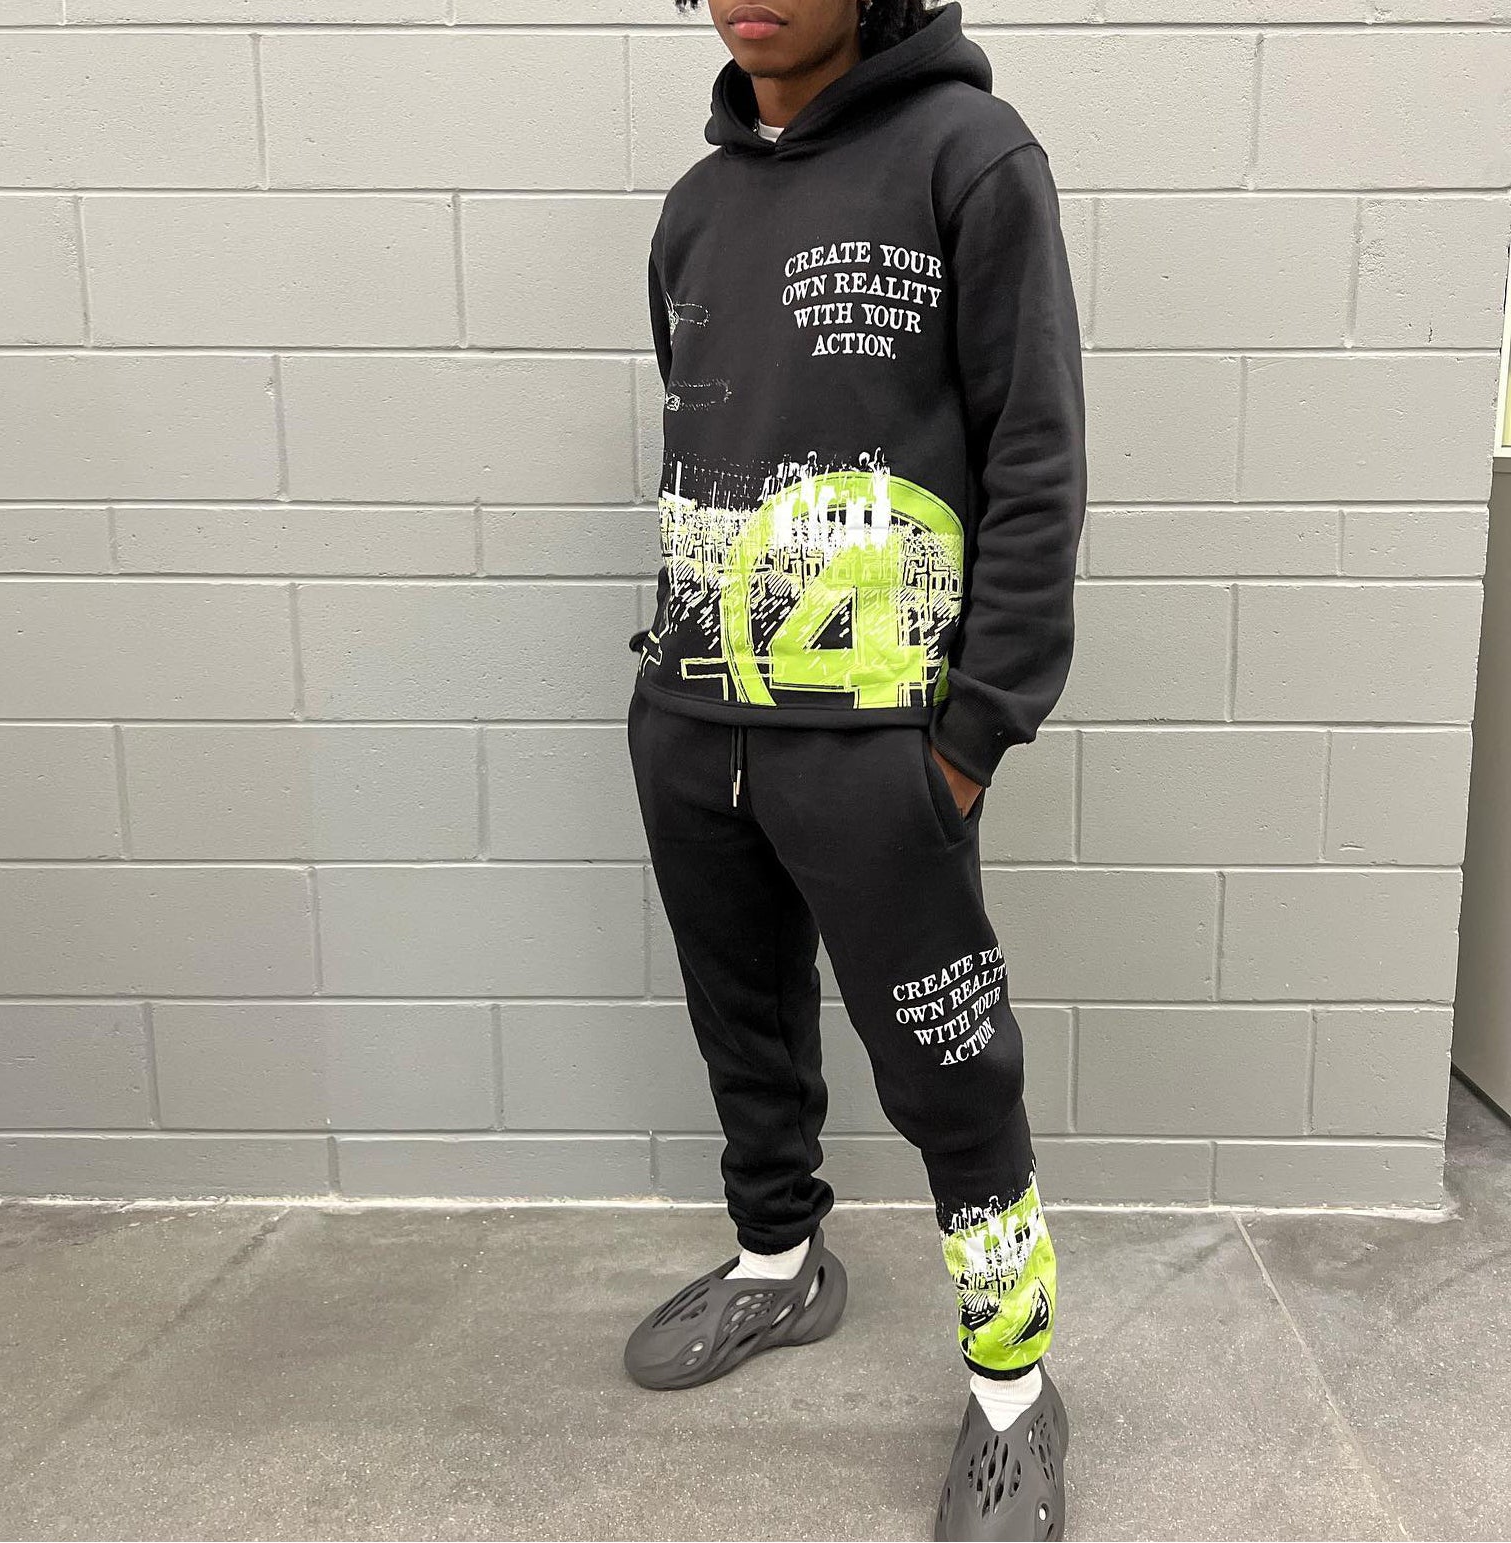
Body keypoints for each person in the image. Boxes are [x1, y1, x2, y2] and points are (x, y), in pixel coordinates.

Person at [621, 1, 1085, 1537]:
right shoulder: (695, 206)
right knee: (743, 1027)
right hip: (692, 717)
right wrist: (677, 707)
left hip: (884, 744)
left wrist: (969, 735)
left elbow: (1033, 457)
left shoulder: (971, 156)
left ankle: (1014, 1387)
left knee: (955, 1072)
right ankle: (778, 1264)